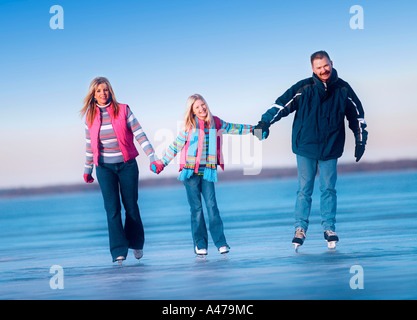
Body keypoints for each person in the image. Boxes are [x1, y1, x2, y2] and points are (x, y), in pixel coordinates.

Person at [253, 51, 368, 250]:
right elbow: (281, 105)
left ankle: (329, 229)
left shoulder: (343, 89)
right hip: (306, 146)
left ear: (331, 63)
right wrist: (264, 123)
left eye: (326, 66)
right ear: (312, 69)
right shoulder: (303, 87)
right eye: (319, 67)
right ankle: (300, 228)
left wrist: (360, 140)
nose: (323, 70)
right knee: (304, 190)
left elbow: (357, 115)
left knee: (328, 189)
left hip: (330, 146)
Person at [153, 94, 254, 256]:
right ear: (192, 111)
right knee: (197, 210)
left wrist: (254, 129)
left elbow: (234, 127)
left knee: (212, 207)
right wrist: (161, 163)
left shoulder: (216, 122)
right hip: (190, 173)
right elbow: (175, 146)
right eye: (197, 107)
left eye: (203, 105)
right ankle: (200, 244)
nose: (201, 109)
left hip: (208, 171)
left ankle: (221, 242)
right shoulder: (189, 126)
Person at [80, 77, 163, 263]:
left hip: (127, 165)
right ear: (93, 95)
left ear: (110, 91)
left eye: (106, 90)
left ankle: (136, 243)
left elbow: (140, 134)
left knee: (131, 206)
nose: (103, 93)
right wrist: (88, 169)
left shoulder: (124, 109)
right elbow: (89, 146)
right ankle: (118, 250)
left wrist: (152, 157)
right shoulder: (90, 117)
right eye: (99, 91)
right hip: (104, 168)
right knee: (112, 209)